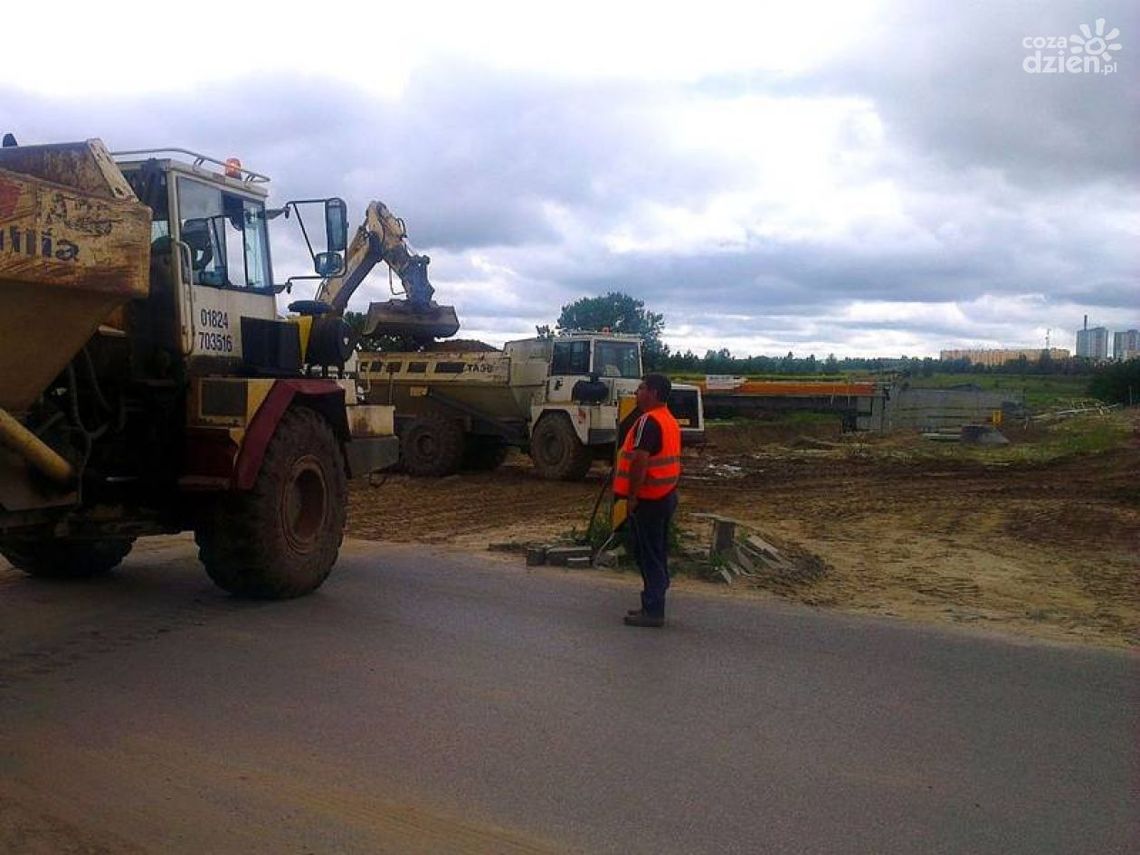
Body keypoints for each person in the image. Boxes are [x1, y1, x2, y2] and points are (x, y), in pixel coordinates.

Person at [613, 373, 682, 628]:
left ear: (653, 393)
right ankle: (653, 602)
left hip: (650, 499)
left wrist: (631, 497)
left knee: (648, 555)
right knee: (657, 552)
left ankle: (653, 610)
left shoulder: (648, 422)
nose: (637, 393)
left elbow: (640, 461)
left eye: (641, 388)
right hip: (666, 495)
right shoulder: (669, 420)